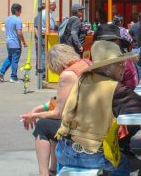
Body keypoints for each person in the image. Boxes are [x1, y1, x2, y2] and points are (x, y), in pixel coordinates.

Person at [55, 41, 141, 175]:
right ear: (107, 68)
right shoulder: (115, 88)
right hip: (91, 154)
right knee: (123, 165)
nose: (124, 68)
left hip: (64, 150)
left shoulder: (84, 78)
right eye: (120, 64)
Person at [93, 24, 141, 157]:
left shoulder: (88, 73)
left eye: (123, 63)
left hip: (91, 133)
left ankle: (127, 144)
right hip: (105, 135)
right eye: (120, 63)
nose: (123, 66)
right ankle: (122, 145)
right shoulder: (115, 85)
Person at [20, 44, 91, 176]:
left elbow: (58, 113)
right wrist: (38, 109)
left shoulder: (68, 75)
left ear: (55, 64)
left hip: (81, 127)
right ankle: (53, 169)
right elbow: (59, 99)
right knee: (50, 125)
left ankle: (44, 173)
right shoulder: (85, 63)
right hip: (91, 120)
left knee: (43, 126)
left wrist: (35, 116)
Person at [0, 3, 27, 83]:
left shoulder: (7, 19)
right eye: (20, 10)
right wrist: (24, 42)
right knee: (15, 60)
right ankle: (13, 77)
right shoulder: (17, 20)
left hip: (8, 42)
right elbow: (19, 33)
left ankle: (1, 72)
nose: (20, 12)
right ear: (16, 11)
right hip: (15, 43)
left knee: (10, 58)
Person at [34, 0, 57, 78]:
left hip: (45, 37)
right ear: (51, 5)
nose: (56, 7)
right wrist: (39, 39)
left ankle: (43, 71)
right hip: (43, 38)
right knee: (43, 55)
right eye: (55, 5)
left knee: (45, 55)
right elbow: (36, 28)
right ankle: (42, 72)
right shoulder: (44, 14)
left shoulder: (48, 14)